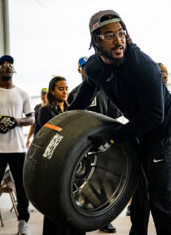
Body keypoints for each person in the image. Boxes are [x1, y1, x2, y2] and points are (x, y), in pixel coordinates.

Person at [68, 10, 171, 235]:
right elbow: (83, 98)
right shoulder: (95, 66)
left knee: (161, 202)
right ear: (95, 40)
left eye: (121, 33)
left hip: (169, 131)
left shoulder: (143, 66)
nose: (118, 40)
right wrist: (63, 124)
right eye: (109, 35)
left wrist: (114, 136)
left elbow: (155, 115)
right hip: (144, 128)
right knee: (140, 197)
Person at [0, 55, 34, 235]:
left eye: (10, 64)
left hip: (18, 148)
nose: (8, 67)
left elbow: (31, 118)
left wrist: (15, 121)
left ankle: (22, 223)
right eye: (4, 64)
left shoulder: (22, 93)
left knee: (22, 188)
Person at [68, 56, 120, 233]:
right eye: (82, 67)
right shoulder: (74, 93)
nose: (85, 70)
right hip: (82, 146)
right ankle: (78, 218)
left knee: (104, 182)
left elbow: (115, 115)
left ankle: (103, 220)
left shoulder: (107, 90)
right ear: (79, 70)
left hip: (103, 143)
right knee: (79, 182)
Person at [37, 76, 85, 235]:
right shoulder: (44, 111)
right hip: (54, 164)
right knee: (55, 203)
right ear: (52, 91)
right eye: (60, 88)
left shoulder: (72, 110)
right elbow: (53, 137)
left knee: (74, 203)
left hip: (73, 162)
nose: (65, 92)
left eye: (66, 88)